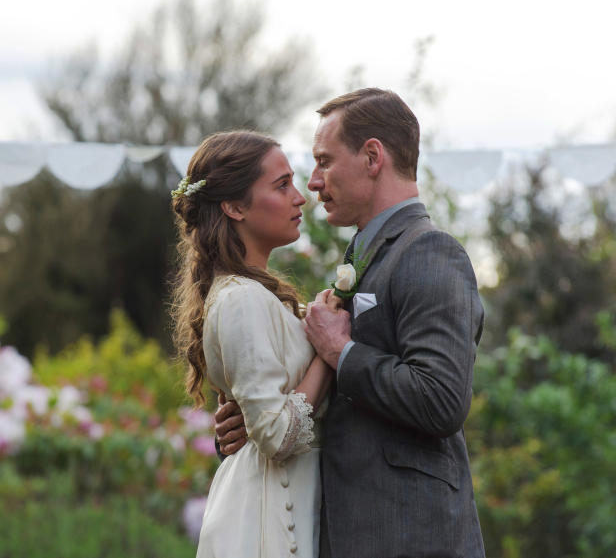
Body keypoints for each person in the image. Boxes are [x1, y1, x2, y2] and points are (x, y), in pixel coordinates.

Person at [215, 88, 486, 558]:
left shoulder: (429, 252)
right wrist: (259, 417)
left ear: (373, 156)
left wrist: (343, 353)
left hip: (409, 540)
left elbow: (441, 400)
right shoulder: (362, 259)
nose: (313, 182)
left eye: (324, 161)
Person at [171, 130, 333, 558]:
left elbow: (265, 411)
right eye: (281, 186)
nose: (300, 198)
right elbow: (278, 434)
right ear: (234, 206)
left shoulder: (258, 296)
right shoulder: (241, 299)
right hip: (265, 519)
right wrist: (329, 354)